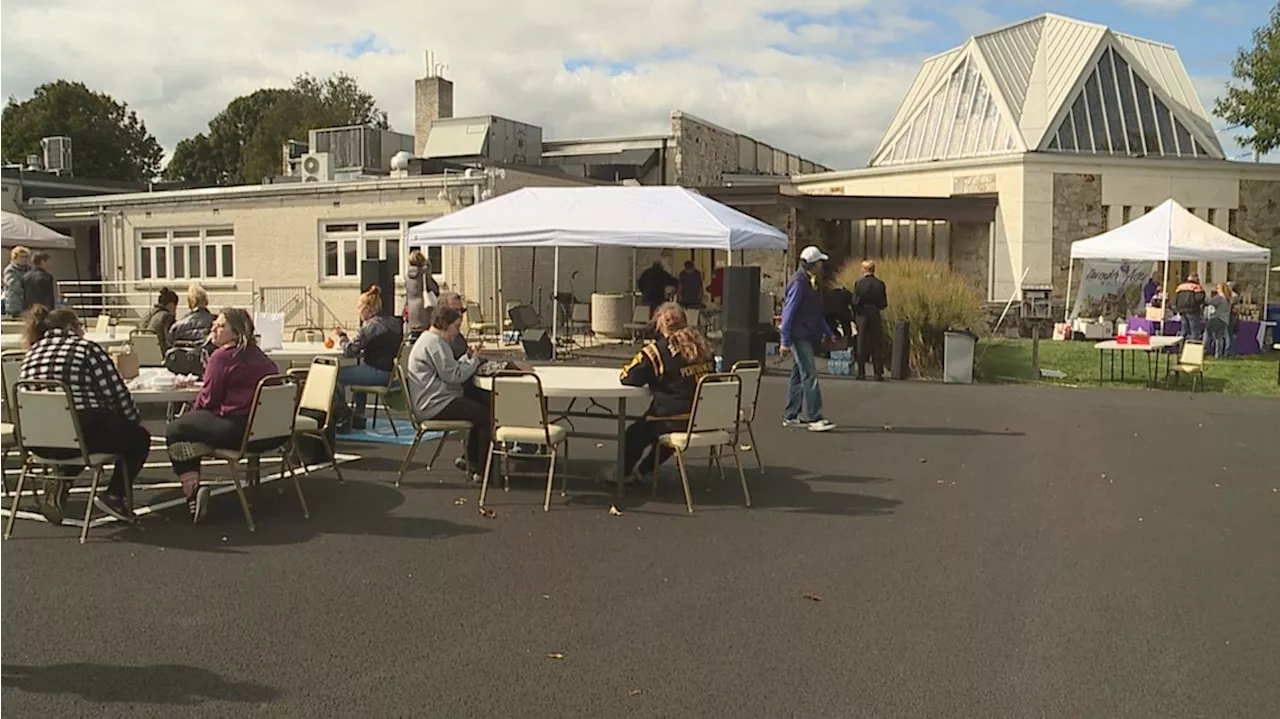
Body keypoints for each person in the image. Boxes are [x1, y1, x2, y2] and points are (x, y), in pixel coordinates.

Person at [19, 305, 151, 524]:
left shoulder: (32, 352)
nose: (83, 331)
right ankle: (114, 495)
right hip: (80, 434)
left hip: (37, 440)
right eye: (81, 326)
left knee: (77, 435)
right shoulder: (85, 349)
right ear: (71, 327)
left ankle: (61, 479)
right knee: (137, 438)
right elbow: (117, 394)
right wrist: (135, 421)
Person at [165, 308, 279, 523]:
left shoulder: (222, 357)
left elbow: (208, 400)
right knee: (191, 427)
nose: (213, 328)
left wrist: (192, 409)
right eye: (214, 324)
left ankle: (193, 493)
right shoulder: (261, 357)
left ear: (236, 332)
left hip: (235, 429)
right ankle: (195, 491)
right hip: (266, 431)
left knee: (176, 429)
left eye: (220, 325)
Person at [618, 303, 715, 483]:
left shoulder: (657, 351)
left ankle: (623, 475)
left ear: (660, 325)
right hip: (705, 417)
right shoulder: (705, 348)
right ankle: (645, 470)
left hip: (675, 419)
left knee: (634, 434)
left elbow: (628, 376)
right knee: (659, 431)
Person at [405, 305, 488, 477]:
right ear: (444, 324)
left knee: (479, 403)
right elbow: (454, 376)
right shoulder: (435, 344)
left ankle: (473, 460)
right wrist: (474, 361)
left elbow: (450, 369)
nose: (457, 332)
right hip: (434, 405)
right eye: (456, 327)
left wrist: (468, 358)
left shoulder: (430, 340)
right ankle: (482, 469)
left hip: (433, 399)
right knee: (485, 415)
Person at [780, 246, 835, 432]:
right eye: (819, 262)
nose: (821, 265)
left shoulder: (809, 281)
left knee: (798, 375)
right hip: (799, 335)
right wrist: (785, 340)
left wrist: (827, 331)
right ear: (813, 264)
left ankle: (791, 414)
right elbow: (789, 312)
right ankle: (814, 416)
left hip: (804, 333)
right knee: (810, 375)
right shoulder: (799, 283)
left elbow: (814, 312)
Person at [334, 285, 404, 431]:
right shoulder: (394, 323)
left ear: (367, 308)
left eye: (359, 307)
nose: (358, 311)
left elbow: (350, 351)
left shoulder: (369, 326)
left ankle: (343, 415)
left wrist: (342, 337)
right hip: (390, 373)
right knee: (360, 374)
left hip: (376, 372)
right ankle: (359, 416)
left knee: (336, 375)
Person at [851, 259, 889, 381]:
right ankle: (878, 373)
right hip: (874, 313)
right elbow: (883, 303)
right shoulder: (880, 284)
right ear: (873, 269)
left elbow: (854, 302)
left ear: (863, 270)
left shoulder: (858, 283)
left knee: (861, 342)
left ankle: (861, 372)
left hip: (862, 315)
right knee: (876, 343)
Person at [404, 250, 440, 341]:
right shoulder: (423, 274)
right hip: (424, 308)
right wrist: (429, 271)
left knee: (414, 336)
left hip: (412, 309)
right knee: (426, 338)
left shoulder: (407, 276)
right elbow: (435, 288)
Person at [142, 287, 179, 352]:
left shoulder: (148, 314)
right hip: (159, 353)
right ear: (171, 304)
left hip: (143, 352)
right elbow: (168, 340)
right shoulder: (167, 316)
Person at [1173, 272, 1206, 340]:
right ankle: (1192, 347)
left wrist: (1177, 308)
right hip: (1192, 310)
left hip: (1182, 310)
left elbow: (1175, 298)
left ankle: (1181, 346)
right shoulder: (1196, 286)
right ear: (1195, 278)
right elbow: (1199, 298)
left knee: (1184, 329)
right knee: (1194, 331)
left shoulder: (1180, 286)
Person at [1205, 283, 1232, 357]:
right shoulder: (1228, 298)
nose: (1216, 289)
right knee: (1219, 337)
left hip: (1216, 318)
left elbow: (1209, 301)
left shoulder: (1219, 297)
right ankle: (1218, 354)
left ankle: (1203, 350)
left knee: (1207, 334)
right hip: (1224, 320)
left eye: (1217, 288)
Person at [3, 246, 30, 317]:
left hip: (28, 305)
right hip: (15, 305)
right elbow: (14, 285)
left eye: (26, 257)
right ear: (15, 258)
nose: (24, 259)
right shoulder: (10, 270)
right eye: (21, 257)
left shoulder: (29, 269)